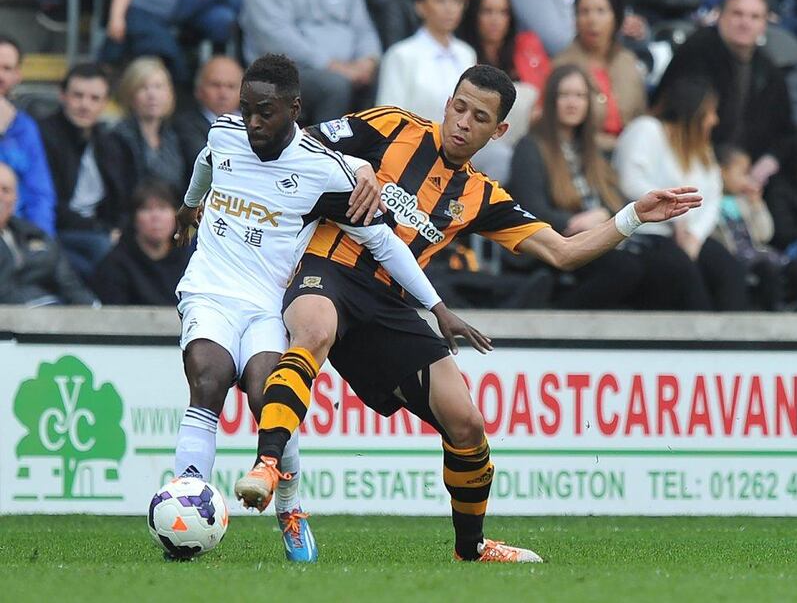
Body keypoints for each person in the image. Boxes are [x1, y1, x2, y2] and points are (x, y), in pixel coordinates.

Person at [233, 64, 701, 563]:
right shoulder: (392, 126)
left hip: (391, 303)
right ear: (447, 102)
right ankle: (267, 465)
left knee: (467, 423)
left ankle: (471, 549)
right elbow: (299, 142)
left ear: (498, 130)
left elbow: (563, 252)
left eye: (479, 117)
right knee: (313, 331)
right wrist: (359, 169)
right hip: (328, 269)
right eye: (458, 106)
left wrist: (632, 216)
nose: (462, 122)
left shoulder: (480, 196)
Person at [171, 53, 480, 563]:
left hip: (269, 303)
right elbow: (207, 162)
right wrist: (189, 205)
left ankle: (290, 506)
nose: (251, 122)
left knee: (265, 395)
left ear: (295, 108)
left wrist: (436, 304)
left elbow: (384, 243)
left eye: (264, 112)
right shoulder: (224, 133)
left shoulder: (328, 173)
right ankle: (188, 499)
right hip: (211, 289)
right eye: (246, 108)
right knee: (208, 376)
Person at [509, 64, 645, 309]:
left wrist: (605, 218)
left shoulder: (593, 150)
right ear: (551, 101)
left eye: (580, 96)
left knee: (667, 263)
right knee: (624, 268)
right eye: (564, 95)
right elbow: (531, 209)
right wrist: (576, 223)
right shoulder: (530, 147)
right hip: (556, 244)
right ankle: (556, 315)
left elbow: (616, 200)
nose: (573, 103)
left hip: (601, 238)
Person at [614, 75, 750, 311]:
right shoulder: (647, 130)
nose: (714, 120)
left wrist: (695, 237)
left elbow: (713, 198)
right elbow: (630, 181)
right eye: (709, 113)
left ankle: (736, 344)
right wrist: (678, 217)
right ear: (692, 111)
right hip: (648, 234)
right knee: (686, 275)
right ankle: (703, 342)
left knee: (730, 270)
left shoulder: (702, 149)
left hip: (692, 236)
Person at [655, 0, 795, 189]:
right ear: (720, 15)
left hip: (748, 177)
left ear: (765, 23)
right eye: (737, 13)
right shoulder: (696, 51)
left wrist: (766, 164)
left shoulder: (768, 69)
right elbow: (675, 116)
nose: (745, 23)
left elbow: (785, 132)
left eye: (755, 17)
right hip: (688, 166)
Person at [239, 0, 381, 124]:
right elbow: (273, 36)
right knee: (333, 85)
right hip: (287, 71)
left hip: (349, 67)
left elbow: (363, 28)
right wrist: (330, 65)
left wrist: (367, 60)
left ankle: (376, 147)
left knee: (387, 72)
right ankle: (324, 147)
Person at [38, 63, 125, 280]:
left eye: (95, 98)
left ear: (105, 104)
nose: (85, 105)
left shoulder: (109, 143)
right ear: (62, 96)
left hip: (99, 231)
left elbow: (121, 200)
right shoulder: (43, 136)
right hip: (58, 231)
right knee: (104, 252)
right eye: (78, 96)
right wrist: (101, 229)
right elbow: (50, 205)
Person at [456, 0, 550, 183]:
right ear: (474, 14)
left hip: (526, 140)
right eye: (487, 11)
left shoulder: (524, 49)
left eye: (503, 12)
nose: (495, 20)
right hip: (476, 143)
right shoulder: (460, 54)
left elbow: (544, 96)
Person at [552, 0, 647, 153]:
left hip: (632, 152)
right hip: (584, 153)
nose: (592, 20)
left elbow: (641, 115)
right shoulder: (562, 65)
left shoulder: (628, 61)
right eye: (584, 12)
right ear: (575, 19)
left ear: (616, 18)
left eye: (601, 11)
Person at [715, 144, 797, 310]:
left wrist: (757, 205)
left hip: (758, 253)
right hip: (735, 257)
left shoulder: (744, 202)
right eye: (743, 173)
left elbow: (765, 234)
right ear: (722, 172)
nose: (748, 179)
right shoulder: (712, 203)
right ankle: (771, 314)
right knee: (768, 271)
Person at [0, 162, 96, 306]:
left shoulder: (34, 235)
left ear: (15, 199)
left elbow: (69, 284)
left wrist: (95, 310)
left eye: (5, 190)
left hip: (50, 315)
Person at [102, 0, 241, 86]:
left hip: (178, 6)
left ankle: (226, 61)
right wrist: (116, 18)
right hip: (148, 16)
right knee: (172, 62)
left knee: (223, 17)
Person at [376, 0, 476, 122]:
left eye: (456, 0)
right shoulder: (401, 55)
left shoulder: (466, 53)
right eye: (440, 0)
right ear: (420, 6)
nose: (450, 8)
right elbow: (387, 116)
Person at [90, 180, 191, 305]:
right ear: (134, 218)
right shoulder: (114, 265)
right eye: (146, 209)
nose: (156, 217)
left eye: (163, 208)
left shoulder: (191, 261)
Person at [106, 57, 186, 200]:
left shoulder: (177, 135)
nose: (152, 95)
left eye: (158, 87)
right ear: (130, 94)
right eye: (143, 87)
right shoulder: (116, 139)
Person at [0, 34, 56, 236]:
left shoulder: (25, 127)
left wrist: (41, 239)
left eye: (7, 69)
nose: (1, 76)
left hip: (18, 231)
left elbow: (40, 193)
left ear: (18, 76)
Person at [174, 56, 243, 175]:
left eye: (231, 86)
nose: (223, 94)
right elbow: (207, 163)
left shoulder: (254, 123)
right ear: (198, 90)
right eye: (216, 85)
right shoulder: (186, 125)